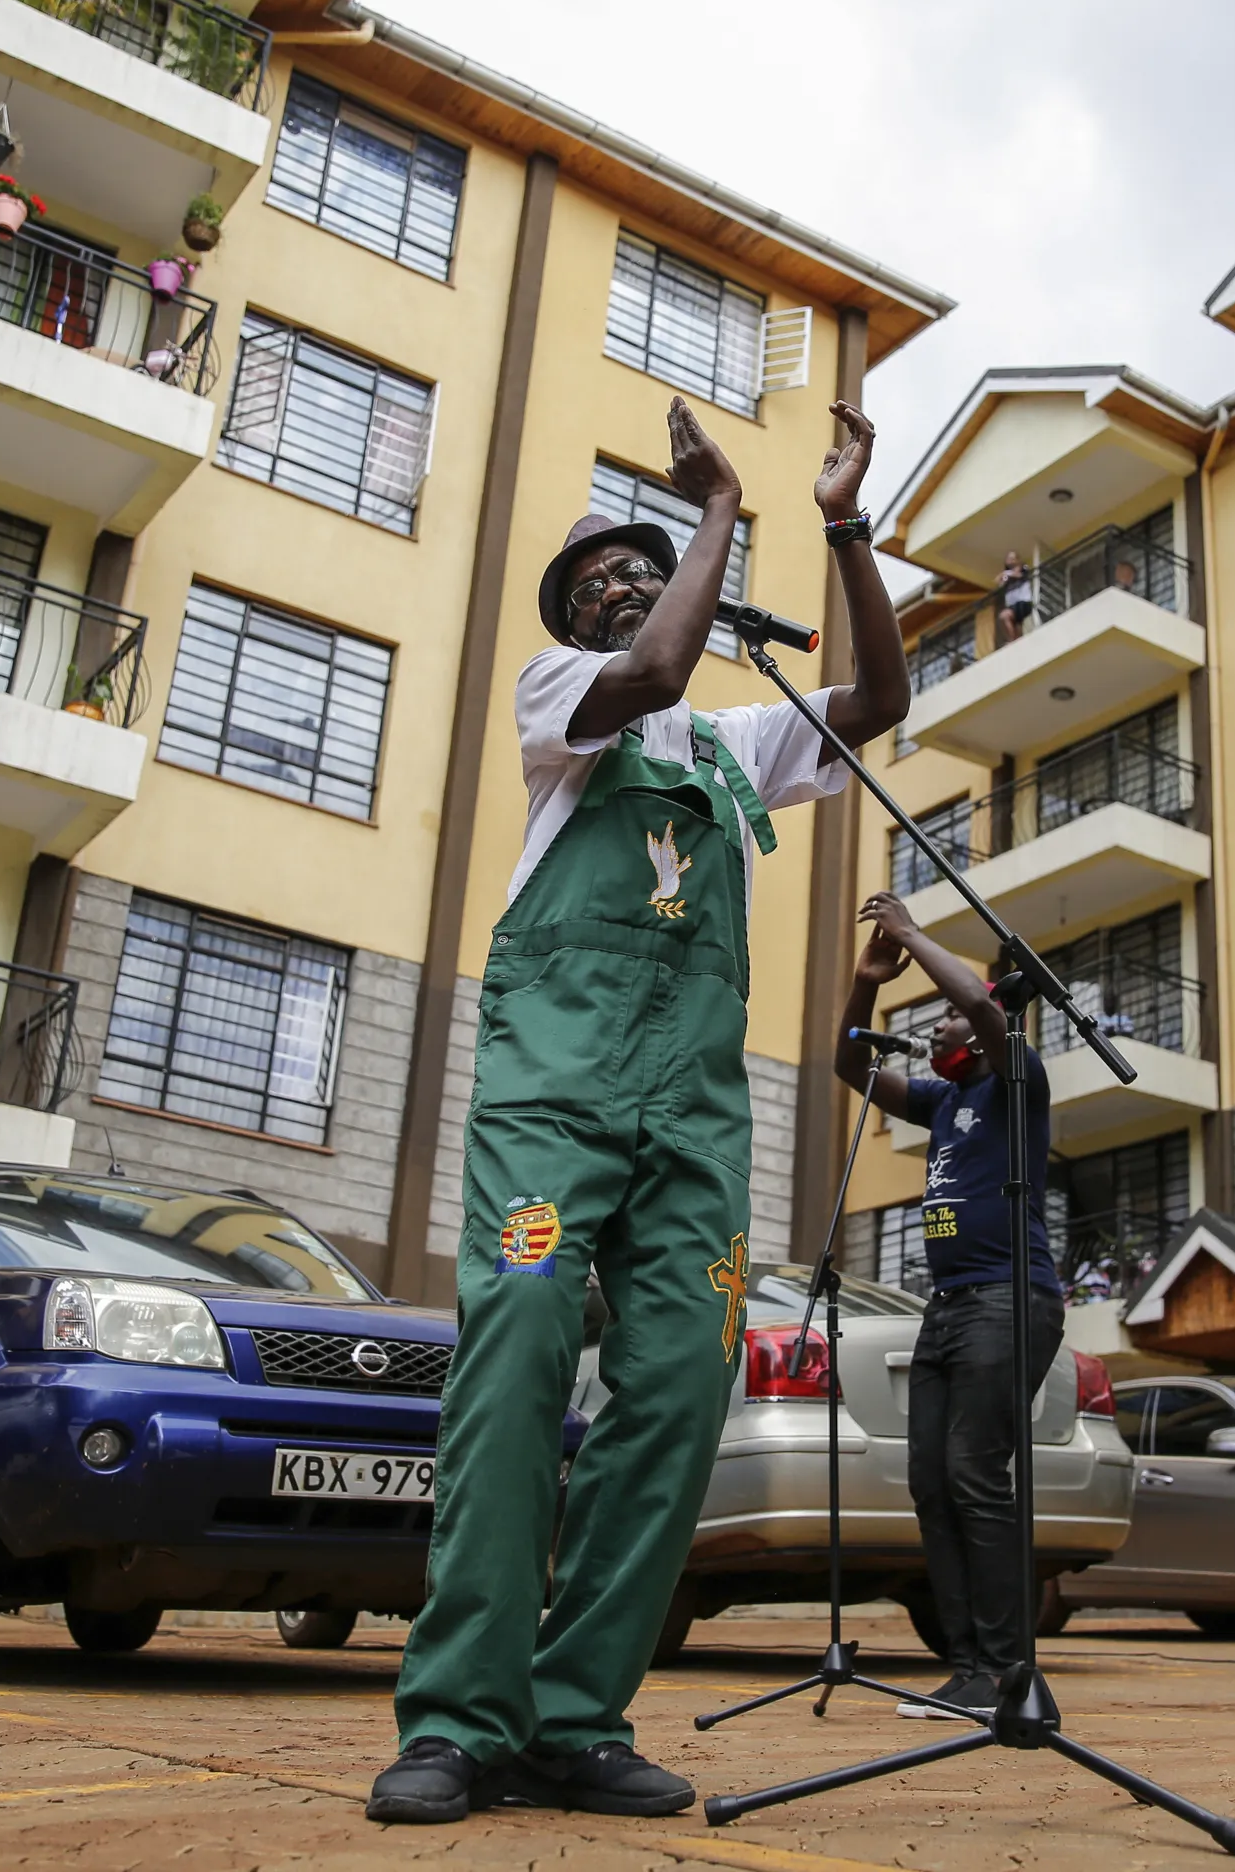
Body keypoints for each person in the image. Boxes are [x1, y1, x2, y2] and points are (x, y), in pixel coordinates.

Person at [371, 396, 908, 1823]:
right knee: (520, 1352)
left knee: (679, 1387)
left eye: (638, 566)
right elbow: (658, 658)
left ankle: (574, 1716)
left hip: (694, 1109)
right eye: (595, 579)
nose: (617, 585)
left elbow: (878, 701)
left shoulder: (734, 743)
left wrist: (844, 527)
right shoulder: (562, 698)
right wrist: (718, 508)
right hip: (557, 1088)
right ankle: (459, 1718)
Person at [834, 890, 1059, 1726]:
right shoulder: (941, 1103)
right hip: (949, 1308)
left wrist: (914, 935)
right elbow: (850, 1067)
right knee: (932, 1481)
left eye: (947, 1020)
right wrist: (867, 980)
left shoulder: (1017, 1079)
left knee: (974, 1473)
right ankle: (967, 1672)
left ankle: (1008, 1669)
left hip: (1010, 1300)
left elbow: (980, 1005)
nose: (936, 1028)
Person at [997, 550, 1034, 643]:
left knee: (1007, 617)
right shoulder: (1006, 574)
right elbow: (1000, 584)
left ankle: (1013, 640)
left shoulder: (1024, 567)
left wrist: (1008, 574)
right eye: (1009, 558)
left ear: (1018, 560)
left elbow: (1021, 575)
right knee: (1011, 620)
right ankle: (1015, 640)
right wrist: (1002, 578)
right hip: (1012, 604)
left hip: (1024, 601)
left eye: (1013, 558)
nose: (1011, 560)